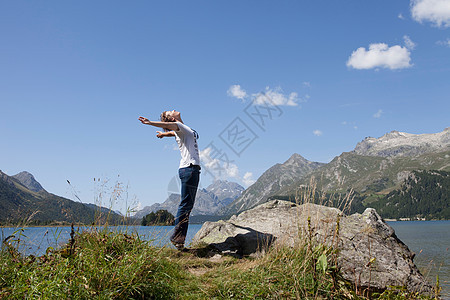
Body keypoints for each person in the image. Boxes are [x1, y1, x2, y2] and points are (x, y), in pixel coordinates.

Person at [138, 110, 200, 251]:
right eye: (170, 112)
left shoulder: (182, 128)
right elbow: (171, 128)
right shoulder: (178, 126)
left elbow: (173, 132)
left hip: (190, 169)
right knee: (185, 205)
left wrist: (163, 134)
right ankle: (177, 239)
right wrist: (149, 123)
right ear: (171, 118)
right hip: (189, 169)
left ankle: (179, 241)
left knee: (187, 205)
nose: (174, 110)